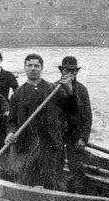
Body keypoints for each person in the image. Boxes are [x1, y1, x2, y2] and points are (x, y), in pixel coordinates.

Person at [4, 53, 74, 190]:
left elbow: (71, 110)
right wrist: (10, 133)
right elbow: (11, 121)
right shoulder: (18, 94)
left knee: (50, 180)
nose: (33, 68)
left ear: (42, 68)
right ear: (24, 68)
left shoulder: (54, 89)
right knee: (27, 179)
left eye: (37, 66)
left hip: (50, 143)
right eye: (29, 65)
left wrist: (70, 89)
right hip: (27, 143)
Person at [57, 56, 92, 193]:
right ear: (62, 71)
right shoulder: (53, 87)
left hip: (75, 135)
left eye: (72, 71)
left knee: (76, 166)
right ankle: (59, 192)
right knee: (56, 164)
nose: (69, 73)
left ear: (76, 73)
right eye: (66, 70)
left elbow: (87, 116)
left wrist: (83, 137)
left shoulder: (82, 90)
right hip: (58, 134)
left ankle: (79, 194)